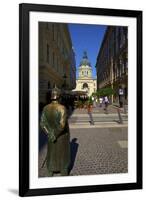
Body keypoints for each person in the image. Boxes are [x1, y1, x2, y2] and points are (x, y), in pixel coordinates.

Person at [40, 85, 70, 176]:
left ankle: (50, 170)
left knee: (51, 152)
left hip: (50, 135)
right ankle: (63, 170)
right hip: (61, 136)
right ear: (59, 96)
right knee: (62, 153)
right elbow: (62, 125)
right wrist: (55, 134)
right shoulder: (62, 108)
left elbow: (42, 123)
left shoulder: (45, 108)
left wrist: (49, 133)